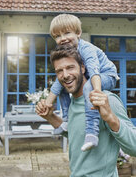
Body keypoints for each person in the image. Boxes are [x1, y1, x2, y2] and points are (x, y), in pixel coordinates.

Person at [36, 45, 136, 177]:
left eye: (70, 67)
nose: (65, 75)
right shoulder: (73, 102)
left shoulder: (106, 100)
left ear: (83, 68)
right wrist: (50, 117)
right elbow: (77, 134)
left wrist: (111, 118)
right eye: (59, 71)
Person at [45, 14, 118, 151]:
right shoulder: (69, 52)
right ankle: (66, 120)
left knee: (87, 87)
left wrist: (96, 92)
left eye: (67, 33)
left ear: (78, 33)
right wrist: (48, 102)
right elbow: (58, 81)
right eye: (58, 36)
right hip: (93, 76)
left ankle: (92, 132)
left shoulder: (86, 49)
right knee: (62, 83)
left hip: (107, 75)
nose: (63, 38)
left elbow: (94, 70)